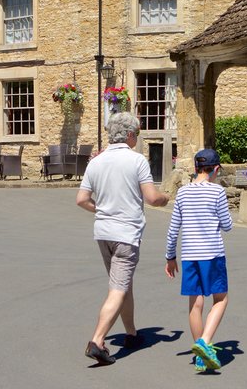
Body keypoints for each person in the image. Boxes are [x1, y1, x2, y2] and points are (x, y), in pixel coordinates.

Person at [76, 112, 169, 366]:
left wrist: (104, 209)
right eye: (136, 134)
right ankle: (97, 341)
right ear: (129, 135)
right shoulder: (136, 161)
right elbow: (152, 198)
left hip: (103, 232)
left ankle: (131, 333)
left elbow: (82, 199)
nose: (136, 138)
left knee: (122, 283)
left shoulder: (96, 162)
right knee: (117, 288)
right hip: (126, 234)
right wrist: (165, 198)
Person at [164, 148, 233, 372]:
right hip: (212, 254)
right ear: (215, 169)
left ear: (195, 169)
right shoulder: (217, 192)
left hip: (189, 256)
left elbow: (173, 229)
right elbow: (228, 225)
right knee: (221, 299)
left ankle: (200, 357)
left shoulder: (183, 193)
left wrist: (170, 257)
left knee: (196, 304)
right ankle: (205, 342)